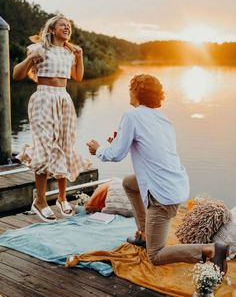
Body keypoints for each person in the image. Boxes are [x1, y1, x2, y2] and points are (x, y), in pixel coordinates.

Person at [87, 74, 229, 274]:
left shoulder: (131, 115)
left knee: (156, 255)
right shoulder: (163, 119)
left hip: (162, 195)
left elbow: (116, 155)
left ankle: (211, 250)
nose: (129, 91)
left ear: (136, 92)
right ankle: (144, 233)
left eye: (130, 88)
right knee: (129, 182)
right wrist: (118, 143)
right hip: (176, 184)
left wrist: (99, 149)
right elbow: (149, 149)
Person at [13, 15, 91, 223]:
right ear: (52, 29)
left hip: (63, 99)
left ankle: (62, 198)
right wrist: (30, 60)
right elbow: (16, 75)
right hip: (43, 98)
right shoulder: (38, 48)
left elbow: (78, 77)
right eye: (62, 25)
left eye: (69, 26)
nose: (67, 28)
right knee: (45, 147)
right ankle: (40, 201)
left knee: (65, 146)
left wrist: (80, 56)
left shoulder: (69, 52)